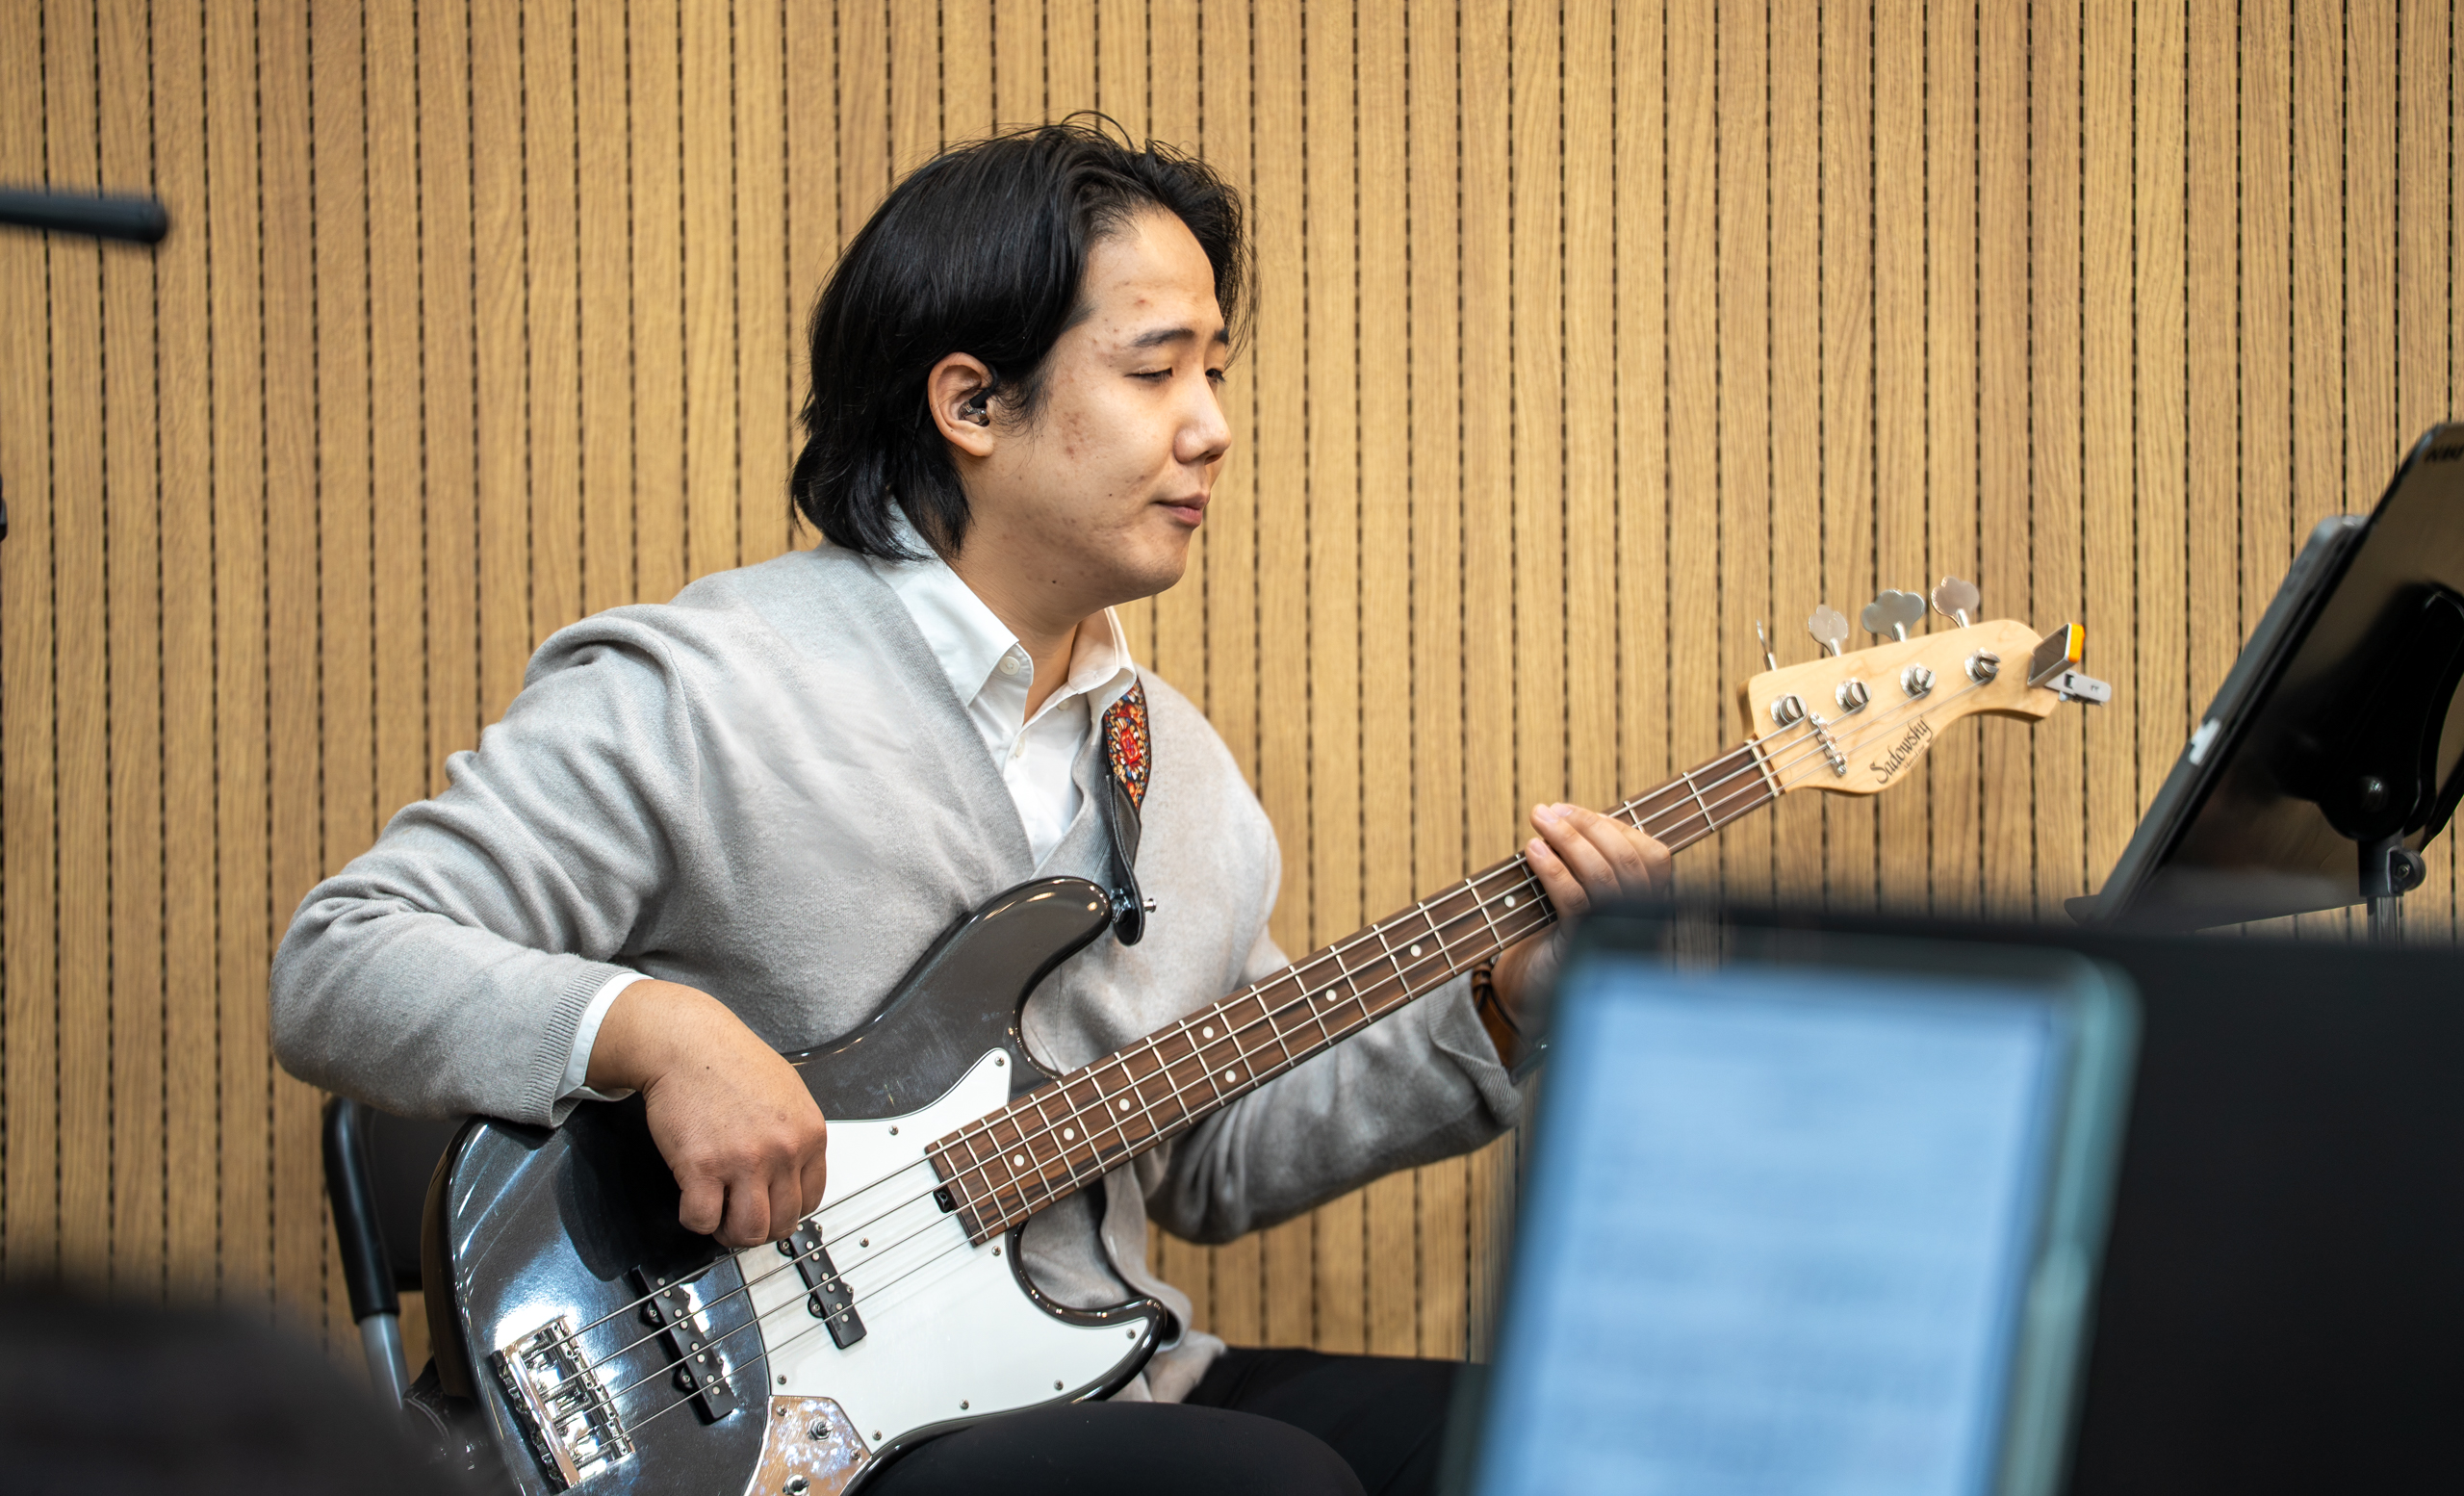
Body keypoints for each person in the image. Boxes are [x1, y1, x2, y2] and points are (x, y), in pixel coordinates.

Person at [271, 118, 1671, 1496]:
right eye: (1156, 370)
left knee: (1585, 1440)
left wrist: (1501, 1008)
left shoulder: (1183, 771)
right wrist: (657, 1031)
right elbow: (343, 959)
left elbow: (1212, 1158)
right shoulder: (706, 689)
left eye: (1216, 370)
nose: (1213, 426)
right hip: (803, 1434)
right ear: (973, 405)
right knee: (1264, 1487)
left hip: (1110, 1377)